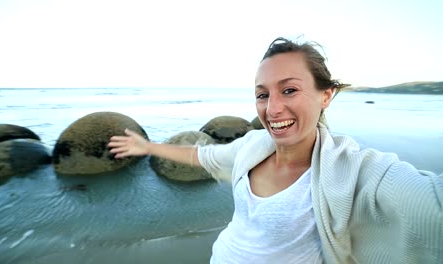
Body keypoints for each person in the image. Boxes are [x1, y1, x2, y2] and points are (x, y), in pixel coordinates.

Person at [108, 37, 442, 263]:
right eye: (263, 94)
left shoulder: (352, 170)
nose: (272, 109)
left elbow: (430, 200)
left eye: (290, 90)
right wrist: (145, 145)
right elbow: (202, 155)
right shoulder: (252, 147)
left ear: (325, 95)